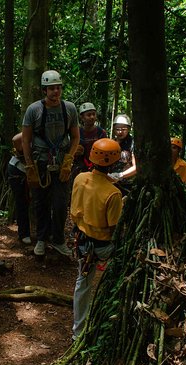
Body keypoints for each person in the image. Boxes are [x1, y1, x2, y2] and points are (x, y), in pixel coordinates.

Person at [22, 70, 80, 257]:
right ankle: (41, 239)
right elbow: (25, 139)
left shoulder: (69, 108)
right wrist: (30, 165)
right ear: (44, 90)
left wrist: (69, 159)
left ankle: (58, 240)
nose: (56, 92)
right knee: (41, 202)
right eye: (51, 88)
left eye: (58, 88)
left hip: (62, 160)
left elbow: (75, 136)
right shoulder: (34, 110)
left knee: (61, 203)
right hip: (41, 161)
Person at [70, 138, 123, 340]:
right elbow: (114, 229)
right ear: (114, 163)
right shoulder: (114, 194)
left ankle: (78, 332)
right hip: (104, 247)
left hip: (82, 242)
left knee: (82, 285)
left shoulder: (80, 178)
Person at [7, 133, 31, 245]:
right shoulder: (32, 128)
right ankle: (24, 233)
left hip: (35, 169)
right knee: (22, 202)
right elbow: (15, 139)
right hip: (18, 169)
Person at [72, 102, 107, 179]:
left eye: (93, 114)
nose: (92, 117)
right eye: (89, 115)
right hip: (80, 167)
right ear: (82, 117)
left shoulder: (101, 132)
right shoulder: (77, 133)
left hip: (97, 167)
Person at [108, 114, 137, 188]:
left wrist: (121, 175)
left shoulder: (132, 143)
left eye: (123, 129)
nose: (120, 132)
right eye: (117, 129)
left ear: (129, 129)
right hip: (111, 182)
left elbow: (136, 166)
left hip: (128, 184)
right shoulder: (111, 142)